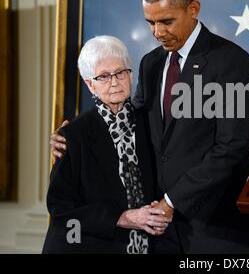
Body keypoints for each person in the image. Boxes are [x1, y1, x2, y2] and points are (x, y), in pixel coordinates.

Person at [51, 0, 249, 253]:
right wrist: (74, 135)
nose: (157, 32)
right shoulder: (151, 63)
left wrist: (171, 201)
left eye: (166, 21)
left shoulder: (231, 61)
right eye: (150, 22)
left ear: (193, 9)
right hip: (161, 231)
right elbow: (132, 120)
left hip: (217, 228)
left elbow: (232, 148)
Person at [43, 36, 171, 254]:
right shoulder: (73, 134)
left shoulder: (150, 122)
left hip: (147, 245)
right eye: (103, 76)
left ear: (131, 74)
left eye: (120, 72)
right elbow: (60, 208)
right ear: (89, 84)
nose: (114, 82)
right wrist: (120, 218)